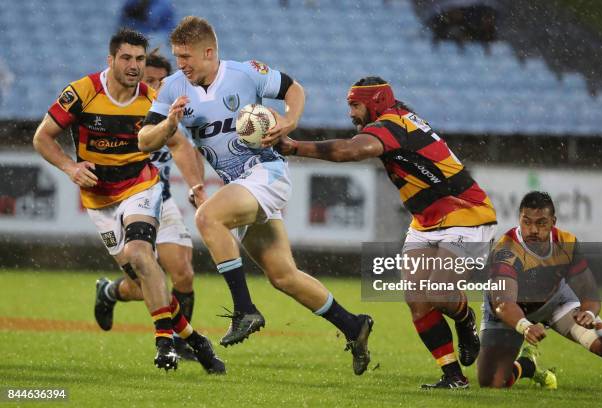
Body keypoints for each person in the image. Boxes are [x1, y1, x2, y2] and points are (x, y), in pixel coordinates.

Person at [137, 16, 374, 375]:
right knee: (284, 276)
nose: (181, 63)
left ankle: (244, 308)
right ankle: (353, 325)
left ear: (209, 52)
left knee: (207, 217)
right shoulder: (172, 88)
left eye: (186, 56)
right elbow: (144, 140)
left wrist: (289, 121)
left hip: (267, 172)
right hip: (242, 183)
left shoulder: (246, 73)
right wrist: (169, 125)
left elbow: (294, 89)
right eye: (177, 56)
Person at [276, 76, 497, 388]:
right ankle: (453, 376)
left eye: (355, 105)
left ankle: (465, 320)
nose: (351, 113)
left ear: (376, 102)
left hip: (466, 214)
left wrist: (294, 146)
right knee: (415, 297)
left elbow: (349, 152)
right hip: (426, 220)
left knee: (437, 292)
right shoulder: (395, 121)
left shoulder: (392, 124)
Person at [32, 28, 224, 374]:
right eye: (127, 58)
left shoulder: (151, 99)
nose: (134, 65)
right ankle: (195, 339)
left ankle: (164, 343)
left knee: (145, 256)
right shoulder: (82, 91)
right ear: (111, 60)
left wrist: (190, 173)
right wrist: (70, 167)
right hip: (98, 200)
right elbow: (42, 137)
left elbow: (177, 143)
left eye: (139, 58)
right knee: (143, 276)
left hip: (141, 187)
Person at [94, 49, 203, 362]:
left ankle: (182, 345)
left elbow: (188, 150)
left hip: (163, 199)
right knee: (143, 285)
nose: (155, 85)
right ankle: (110, 292)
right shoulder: (129, 111)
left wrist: (197, 187)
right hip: (129, 201)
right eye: (149, 79)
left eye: (160, 80)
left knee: (183, 272)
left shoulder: (175, 110)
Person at [478, 191, 602, 388]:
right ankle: (527, 365)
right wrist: (525, 326)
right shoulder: (505, 249)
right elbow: (504, 304)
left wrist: (589, 312)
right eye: (527, 222)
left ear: (553, 222)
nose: (533, 230)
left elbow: (589, 294)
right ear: (519, 220)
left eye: (541, 223)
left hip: (555, 302)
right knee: (492, 383)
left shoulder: (566, 243)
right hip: (508, 313)